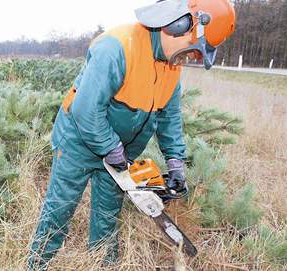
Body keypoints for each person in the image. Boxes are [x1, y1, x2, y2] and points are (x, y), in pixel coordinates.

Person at [28, 0, 236, 269]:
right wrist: (110, 147)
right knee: (59, 210)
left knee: (107, 216)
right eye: (193, 51)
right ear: (179, 24)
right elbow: (86, 110)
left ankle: (105, 264)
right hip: (78, 142)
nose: (190, 58)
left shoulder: (172, 65)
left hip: (119, 152)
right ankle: (37, 263)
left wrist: (175, 161)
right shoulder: (117, 47)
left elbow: (169, 116)